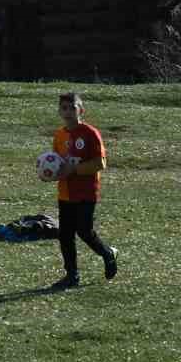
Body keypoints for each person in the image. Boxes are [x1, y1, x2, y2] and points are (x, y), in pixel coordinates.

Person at [49, 91, 118, 290]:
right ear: (59, 111)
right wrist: (50, 174)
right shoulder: (59, 135)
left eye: (72, 107)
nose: (68, 111)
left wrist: (75, 169)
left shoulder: (90, 133)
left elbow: (101, 163)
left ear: (81, 110)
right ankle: (72, 275)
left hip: (86, 192)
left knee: (84, 232)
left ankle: (108, 253)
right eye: (64, 108)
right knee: (65, 235)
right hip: (65, 192)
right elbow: (56, 163)